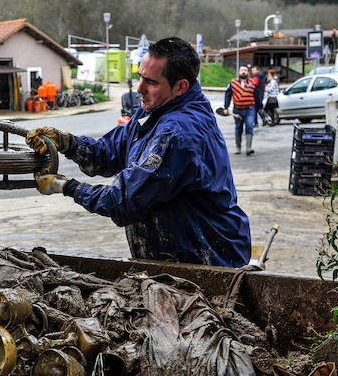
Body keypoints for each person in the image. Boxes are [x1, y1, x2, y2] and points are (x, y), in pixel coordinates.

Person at [25, 37, 251, 268]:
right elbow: (109, 152)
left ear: (181, 86)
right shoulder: (155, 110)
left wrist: (65, 187)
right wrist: (66, 142)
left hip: (209, 260)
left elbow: (123, 201)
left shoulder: (178, 133)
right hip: (175, 259)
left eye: (151, 82)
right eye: (140, 76)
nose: (140, 88)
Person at [222, 65, 262, 155]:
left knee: (249, 126)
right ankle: (238, 148)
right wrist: (226, 107)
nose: (243, 72)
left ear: (248, 72)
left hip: (250, 110)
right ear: (239, 72)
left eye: (245, 70)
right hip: (237, 110)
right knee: (238, 128)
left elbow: (257, 96)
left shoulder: (252, 83)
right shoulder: (233, 83)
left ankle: (248, 148)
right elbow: (228, 95)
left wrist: (260, 107)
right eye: (242, 70)